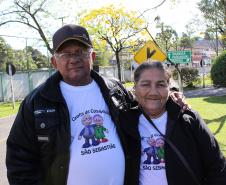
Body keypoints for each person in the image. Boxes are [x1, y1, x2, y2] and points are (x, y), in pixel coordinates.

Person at [6, 24, 185, 185]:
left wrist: (172, 94)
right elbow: (19, 163)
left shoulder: (114, 90)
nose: (74, 59)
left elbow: (147, 102)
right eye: (66, 54)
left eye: (80, 52)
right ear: (54, 61)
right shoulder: (36, 102)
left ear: (92, 56)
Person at [120, 61, 226, 185]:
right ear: (135, 88)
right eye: (145, 84)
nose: (153, 92)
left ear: (168, 87)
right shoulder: (124, 122)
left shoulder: (189, 120)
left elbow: (217, 167)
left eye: (160, 84)